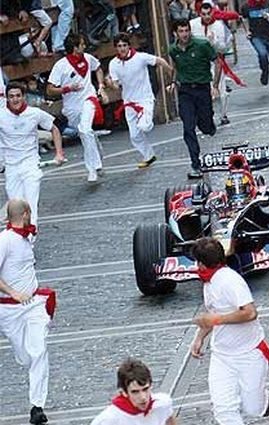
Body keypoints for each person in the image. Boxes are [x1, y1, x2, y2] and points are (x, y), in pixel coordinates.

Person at [189, 237, 269, 424]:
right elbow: (213, 313)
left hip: (249, 353)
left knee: (253, 409)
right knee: (223, 409)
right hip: (222, 356)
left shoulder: (231, 281)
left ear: (202, 264)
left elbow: (250, 312)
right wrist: (199, 338)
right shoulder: (209, 283)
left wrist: (217, 319)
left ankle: (263, 401)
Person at [0, 199, 56, 425]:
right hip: (9, 310)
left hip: (34, 304)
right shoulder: (5, 241)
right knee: (25, 356)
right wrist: (13, 292)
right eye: (30, 214)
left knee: (39, 350)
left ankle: (37, 406)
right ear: (24, 214)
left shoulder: (27, 237)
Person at [0, 82, 64, 226]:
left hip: (30, 164)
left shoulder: (34, 113)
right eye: (11, 96)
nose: (15, 99)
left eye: (18, 96)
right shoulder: (1, 115)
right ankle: (20, 238)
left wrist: (59, 153)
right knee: (16, 207)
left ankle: (30, 238)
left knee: (30, 204)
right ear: (6, 98)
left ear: (24, 97)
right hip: (11, 167)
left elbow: (54, 129)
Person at [47, 33, 106, 183]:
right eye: (81, 44)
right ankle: (97, 152)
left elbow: (98, 68)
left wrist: (100, 86)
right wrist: (68, 89)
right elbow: (50, 89)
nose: (84, 46)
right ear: (74, 48)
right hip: (72, 106)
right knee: (85, 133)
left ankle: (93, 168)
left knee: (84, 130)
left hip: (89, 99)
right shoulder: (60, 66)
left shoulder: (88, 58)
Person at [108, 33, 173, 168]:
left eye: (124, 45)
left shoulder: (140, 57)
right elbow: (116, 85)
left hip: (145, 99)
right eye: (119, 46)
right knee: (134, 136)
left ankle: (146, 120)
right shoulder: (114, 64)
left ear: (129, 45)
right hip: (128, 102)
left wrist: (171, 73)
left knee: (144, 126)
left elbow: (159, 61)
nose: (122, 49)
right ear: (116, 48)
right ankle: (149, 156)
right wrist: (109, 83)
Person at [168, 19, 220, 179]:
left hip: (202, 89)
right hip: (185, 92)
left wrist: (215, 85)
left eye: (186, 30)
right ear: (175, 33)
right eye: (181, 31)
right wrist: (172, 82)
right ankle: (195, 163)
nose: (184, 34)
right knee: (188, 128)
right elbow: (175, 66)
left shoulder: (202, 45)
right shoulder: (173, 50)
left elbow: (217, 62)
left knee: (206, 127)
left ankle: (208, 125)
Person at [190, 2, 242, 126]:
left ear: (213, 12)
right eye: (204, 14)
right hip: (199, 63)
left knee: (221, 91)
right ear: (199, 14)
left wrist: (214, 42)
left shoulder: (219, 26)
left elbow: (224, 48)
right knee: (205, 92)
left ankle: (223, 115)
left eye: (209, 13)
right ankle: (207, 116)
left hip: (216, 61)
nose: (207, 16)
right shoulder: (193, 25)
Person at [90, 358, 176, 424]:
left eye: (145, 389)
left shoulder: (163, 403)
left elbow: (170, 419)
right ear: (123, 392)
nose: (143, 397)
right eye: (135, 392)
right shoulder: (109, 419)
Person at [241, 0, 269, 91]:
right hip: (256, 35)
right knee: (262, 53)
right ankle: (265, 70)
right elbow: (244, 19)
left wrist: (268, 17)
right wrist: (247, 31)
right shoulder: (246, 6)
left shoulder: (268, 3)